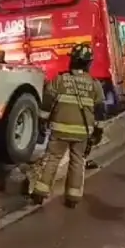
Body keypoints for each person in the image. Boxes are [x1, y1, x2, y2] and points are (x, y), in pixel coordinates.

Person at [31, 43, 106, 208]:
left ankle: (40, 193)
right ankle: (72, 198)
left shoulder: (60, 80)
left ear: (72, 60)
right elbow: (100, 111)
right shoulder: (95, 85)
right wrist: (98, 131)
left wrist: (42, 121)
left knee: (52, 159)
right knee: (78, 161)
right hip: (82, 133)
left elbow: (47, 102)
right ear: (88, 63)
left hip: (59, 130)